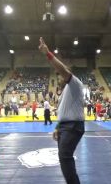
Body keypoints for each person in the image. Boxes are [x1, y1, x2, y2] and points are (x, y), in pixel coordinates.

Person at [39, 37, 84, 184]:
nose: (58, 76)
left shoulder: (75, 84)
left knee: (65, 156)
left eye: (61, 74)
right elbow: (63, 112)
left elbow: (62, 70)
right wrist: (58, 127)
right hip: (65, 126)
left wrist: (48, 54)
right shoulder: (64, 92)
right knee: (63, 156)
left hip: (73, 126)